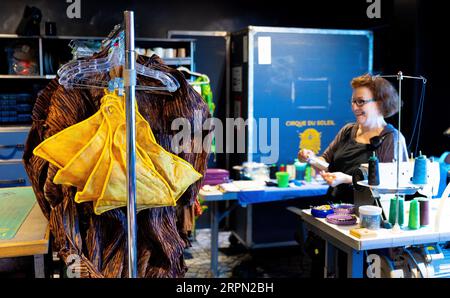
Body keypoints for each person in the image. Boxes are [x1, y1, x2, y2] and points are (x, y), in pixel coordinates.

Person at [298, 74, 408, 203]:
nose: (354, 107)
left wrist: (347, 179)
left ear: (380, 103)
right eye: (353, 101)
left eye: (361, 102)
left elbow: (389, 186)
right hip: (336, 209)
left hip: (368, 215)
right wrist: (311, 159)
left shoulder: (391, 138)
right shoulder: (348, 131)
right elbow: (327, 163)